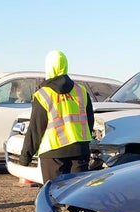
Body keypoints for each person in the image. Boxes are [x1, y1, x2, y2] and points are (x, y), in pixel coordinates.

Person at [18, 50, 94, 183]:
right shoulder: (81, 91)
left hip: (53, 152)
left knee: (54, 196)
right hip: (80, 150)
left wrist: (25, 157)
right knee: (76, 196)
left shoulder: (43, 95)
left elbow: (35, 130)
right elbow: (89, 121)